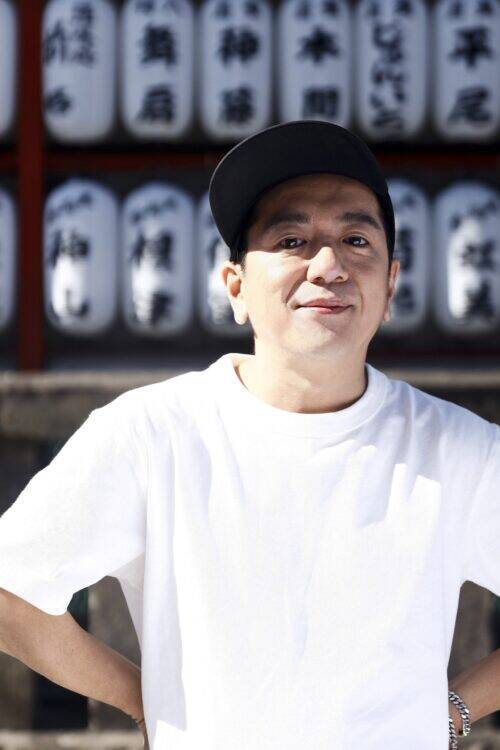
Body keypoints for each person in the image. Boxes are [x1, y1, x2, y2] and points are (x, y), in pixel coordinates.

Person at [0, 120, 499, 750]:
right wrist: (144, 699)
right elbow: (10, 590)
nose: (329, 266)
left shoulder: (458, 449)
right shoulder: (154, 434)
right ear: (235, 287)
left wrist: (454, 710)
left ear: (390, 285)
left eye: (356, 240)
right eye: (292, 241)